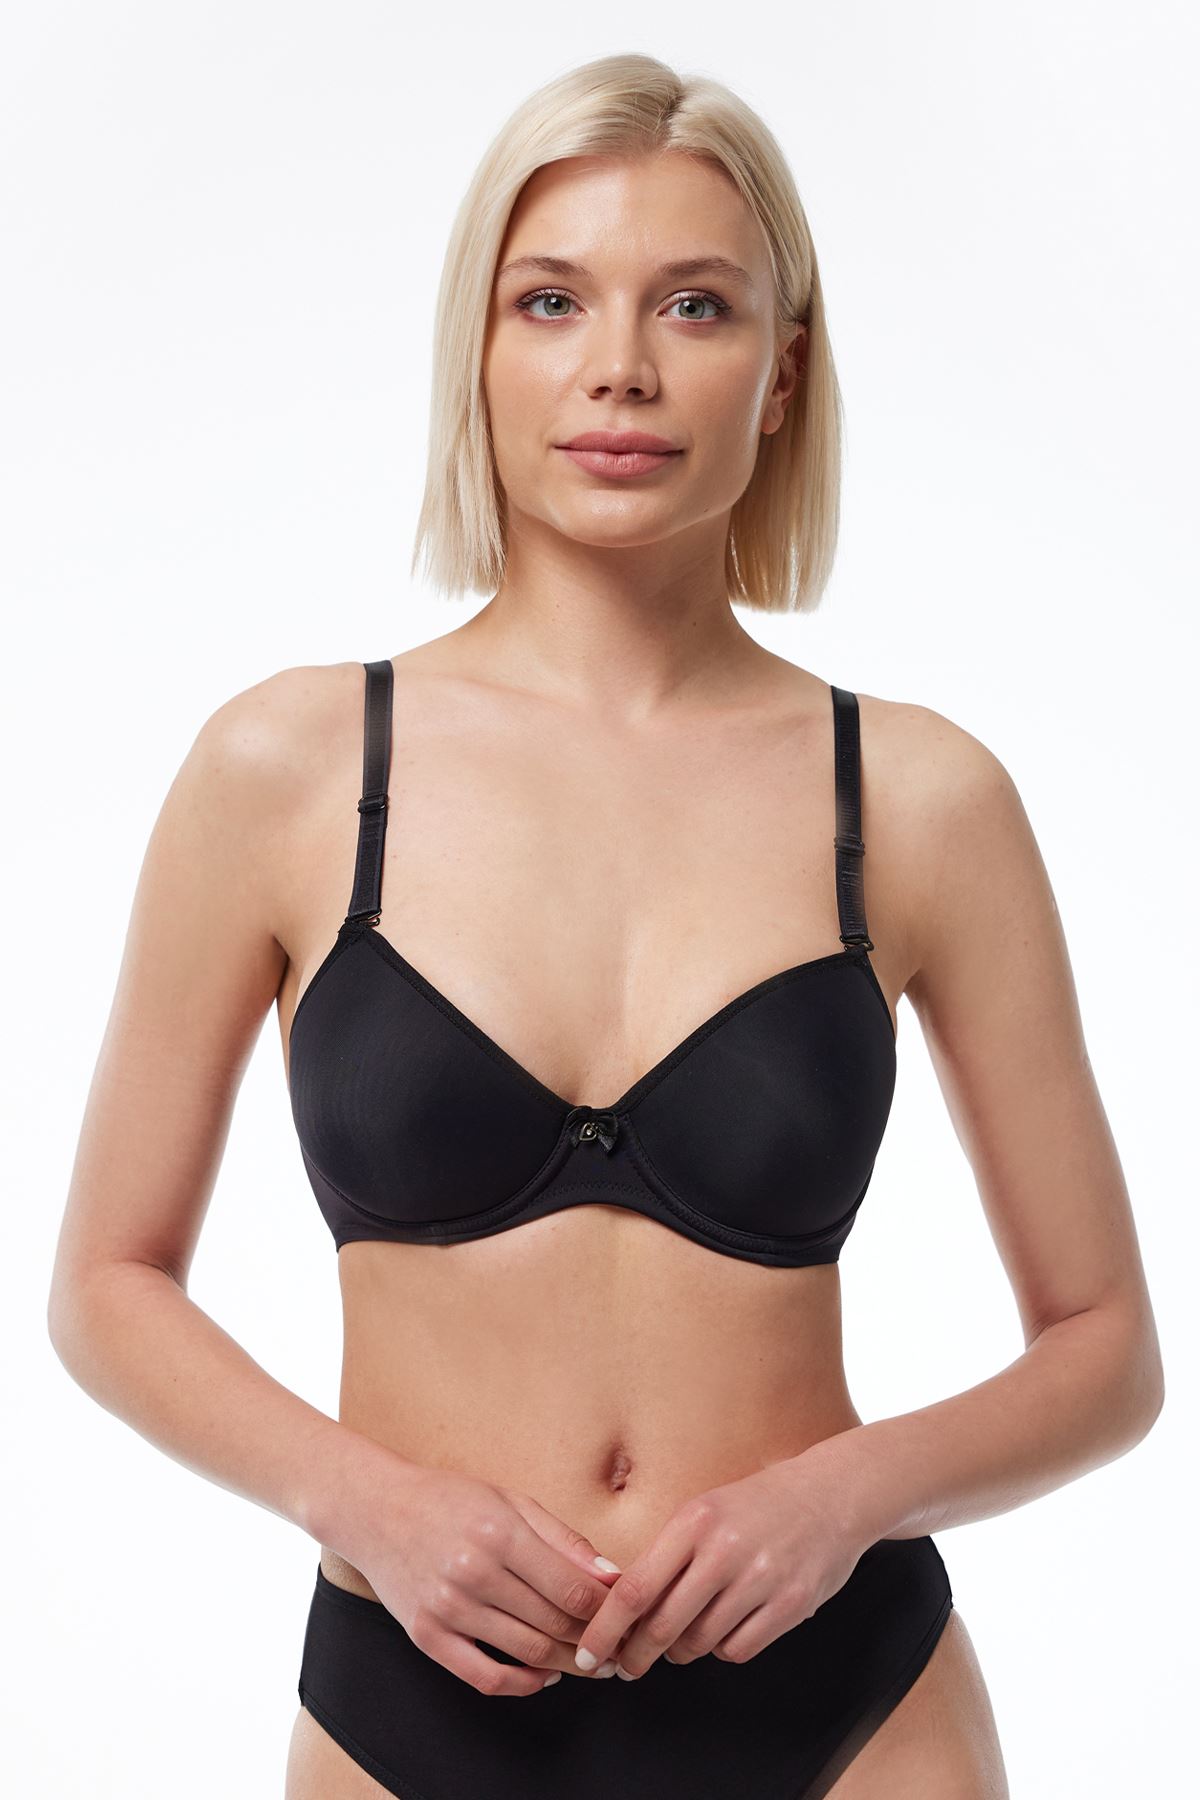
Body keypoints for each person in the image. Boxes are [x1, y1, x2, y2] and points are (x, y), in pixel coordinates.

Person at [47, 52, 1164, 1800]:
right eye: (552, 300)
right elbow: (106, 1285)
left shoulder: (920, 800)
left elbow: (1107, 1348)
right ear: (478, 353)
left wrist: (841, 1498)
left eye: (695, 305)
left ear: (782, 375)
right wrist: (363, 1500)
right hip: (413, 1696)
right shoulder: (291, 771)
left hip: (845, 1703)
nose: (621, 366)